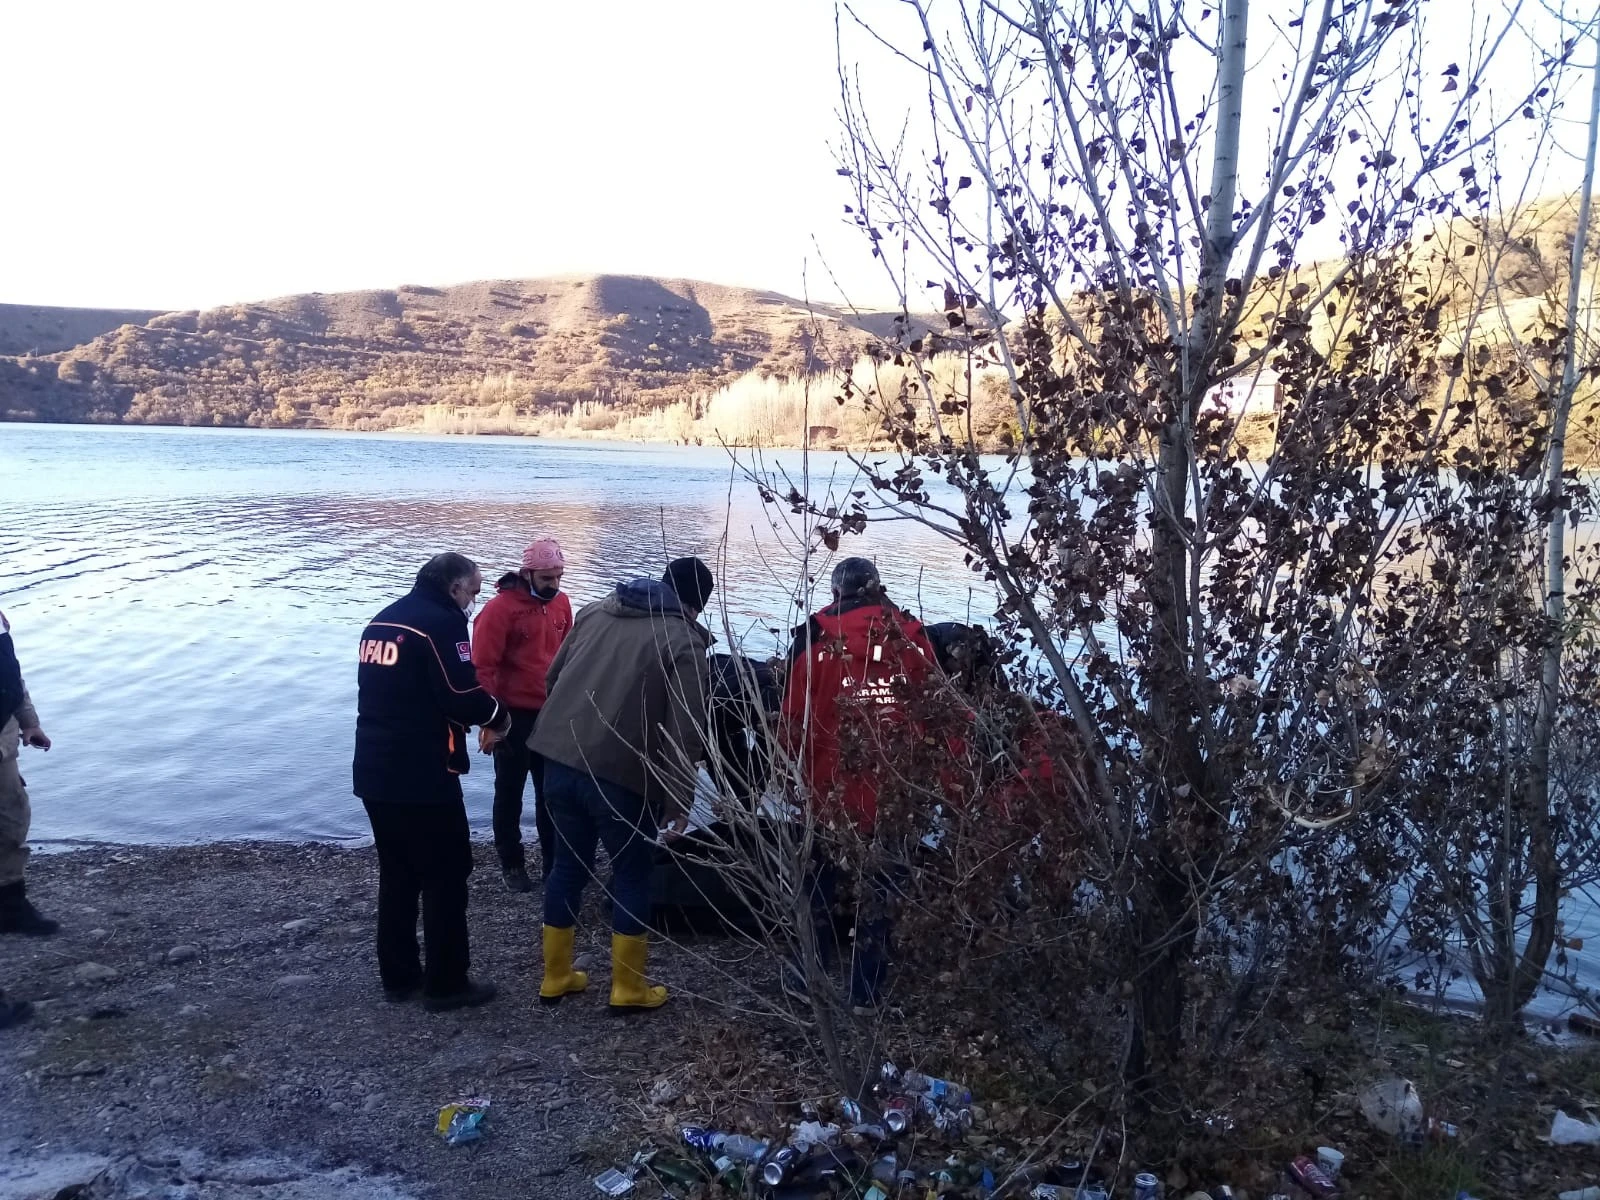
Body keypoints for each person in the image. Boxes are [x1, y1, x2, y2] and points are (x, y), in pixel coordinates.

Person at [532, 556, 714, 1012]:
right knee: (633, 873)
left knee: (568, 868)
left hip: (557, 757)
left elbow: (553, 678)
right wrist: (679, 799)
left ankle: (556, 977)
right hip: (619, 776)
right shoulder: (684, 640)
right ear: (694, 607)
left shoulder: (595, 610)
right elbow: (685, 730)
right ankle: (628, 988)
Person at [353, 553, 512, 1012]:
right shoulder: (438, 623)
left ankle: (399, 976)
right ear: (454, 587)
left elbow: (411, 692)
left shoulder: (382, 622)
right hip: (422, 773)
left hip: (374, 768)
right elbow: (461, 694)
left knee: (398, 873)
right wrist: (500, 718)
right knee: (446, 874)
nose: (473, 602)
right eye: (474, 592)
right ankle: (447, 982)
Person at [778, 556, 940, 1009]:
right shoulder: (912, 636)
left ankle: (803, 977)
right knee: (883, 894)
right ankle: (865, 992)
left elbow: (795, 721)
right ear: (877, 589)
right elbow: (934, 715)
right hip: (895, 790)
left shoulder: (813, 639)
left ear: (836, 593)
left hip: (830, 790)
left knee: (816, 888)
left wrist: (787, 770)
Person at [471, 538, 573, 892]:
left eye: (558, 576)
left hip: (552, 714)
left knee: (553, 794)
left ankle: (553, 866)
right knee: (509, 792)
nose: (555, 584)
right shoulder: (500, 610)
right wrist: (489, 720)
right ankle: (511, 864)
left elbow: (567, 656)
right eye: (547, 578)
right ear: (528, 573)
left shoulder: (561, 604)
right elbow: (483, 667)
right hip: (512, 715)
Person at [0, 608, 57, 937]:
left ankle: (10, 906)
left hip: (3, 739)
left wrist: (29, 721)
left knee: (12, 817)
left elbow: (9, 673)